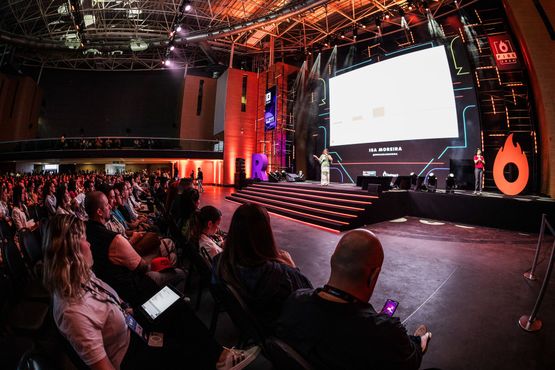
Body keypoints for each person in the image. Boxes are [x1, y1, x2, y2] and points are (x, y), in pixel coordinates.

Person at [42, 214, 260, 370]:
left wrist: (128, 310)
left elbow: (110, 300)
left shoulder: (81, 275)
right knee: (181, 346)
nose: (89, 244)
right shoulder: (74, 313)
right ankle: (216, 358)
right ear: (70, 252)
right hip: (129, 352)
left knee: (174, 302)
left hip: (132, 320)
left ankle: (220, 356)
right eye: (83, 240)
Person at [276, 229, 431, 370]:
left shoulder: (295, 301)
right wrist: (419, 340)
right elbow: (411, 362)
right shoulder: (385, 333)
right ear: (373, 276)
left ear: (332, 261)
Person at [215, 203, 312, 333]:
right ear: (265, 233)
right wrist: (291, 267)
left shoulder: (220, 261)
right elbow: (306, 297)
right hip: (275, 329)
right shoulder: (281, 275)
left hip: (248, 323)